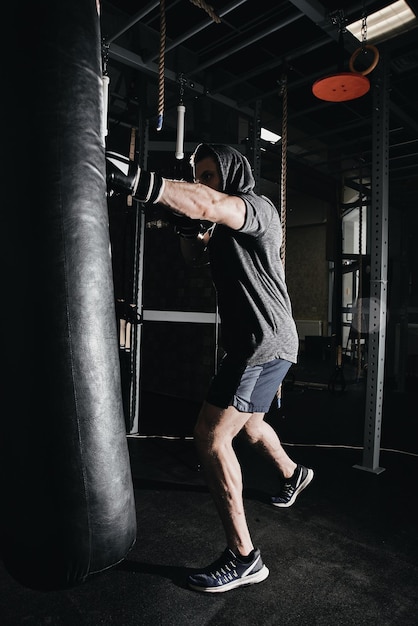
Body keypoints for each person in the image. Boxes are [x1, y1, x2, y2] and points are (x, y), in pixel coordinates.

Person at [106, 143, 314, 593]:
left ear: (233, 175)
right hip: (266, 340)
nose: (203, 182)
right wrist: (188, 229)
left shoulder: (255, 207)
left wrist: (147, 185)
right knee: (252, 425)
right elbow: (189, 256)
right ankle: (293, 474)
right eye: (198, 174)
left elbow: (211, 203)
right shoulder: (220, 224)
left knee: (211, 436)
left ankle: (244, 556)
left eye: (210, 174)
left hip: (261, 342)